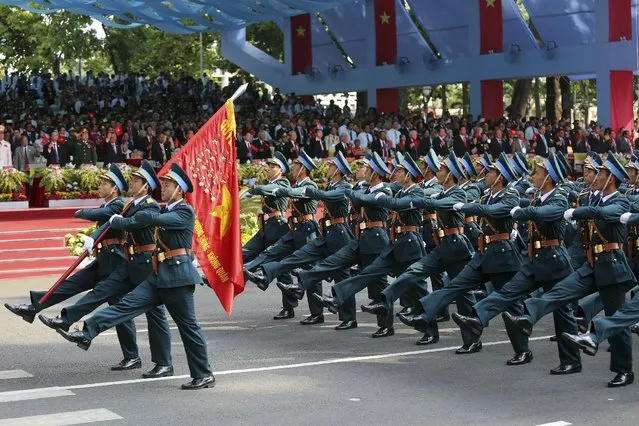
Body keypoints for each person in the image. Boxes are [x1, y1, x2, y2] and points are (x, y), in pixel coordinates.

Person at [58, 163, 215, 390]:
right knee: (125, 306)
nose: (163, 188)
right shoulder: (165, 209)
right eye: (163, 184)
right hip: (159, 274)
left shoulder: (183, 211)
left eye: (168, 185)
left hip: (179, 278)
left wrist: (118, 220)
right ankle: (86, 332)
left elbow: (152, 220)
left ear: (179, 190)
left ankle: (203, 374)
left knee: (188, 328)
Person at [504, 153, 635, 387]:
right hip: (593, 264)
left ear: (611, 179)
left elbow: (603, 215)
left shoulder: (621, 201)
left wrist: (576, 212)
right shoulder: (595, 199)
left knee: (617, 321)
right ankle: (527, 316)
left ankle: (623, 370)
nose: (594, 178)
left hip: (614, 268)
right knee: (561, 290)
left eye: (600, 174)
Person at [38, 161, 173, 377]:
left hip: (146, 264)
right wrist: (95, 235)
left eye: (136, 180)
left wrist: (114, 220)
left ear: (145, 186)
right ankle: (68, 319)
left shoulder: (149, 205)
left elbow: (129, 223)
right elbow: (111, 223)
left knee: (155, 316)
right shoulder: (131, 205)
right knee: (101, 290)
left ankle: (164, 363)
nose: (131, 182)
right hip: (130, 262)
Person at [453, 153, 582, 373]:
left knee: (563, 315)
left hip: (555, 262)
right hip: (535, 260)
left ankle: (571, 361)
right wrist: (513, 206)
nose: (534, 176)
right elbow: (522, 204)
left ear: (549, 178)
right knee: (508, 291)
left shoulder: (558, 197)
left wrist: (519, 212)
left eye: (538, 173)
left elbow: (547, 213)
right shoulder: (537, 197)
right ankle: (477, 318)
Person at [4, 164, 142, 370]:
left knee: (118, 309)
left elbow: (96, 215)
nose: (100, 186)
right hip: (103, 259)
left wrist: (79, 211)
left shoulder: (117, 205)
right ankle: (35, 306)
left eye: (104, 184)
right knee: (70, 285)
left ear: (114, 188)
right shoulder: (112, 205)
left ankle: (131, 355)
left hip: (115, 262)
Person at [398, 153, 529, 363]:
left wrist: (465, 206)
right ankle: (425, 313)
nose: (486, 175)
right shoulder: (488, 195)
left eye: (491, 172)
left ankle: (522, 349)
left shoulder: (510, 195)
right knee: (456, 285)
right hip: (483, 253)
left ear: (501, 177)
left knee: (511, 306)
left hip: (503, 256)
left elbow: (494, 211)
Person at [315, 153, 427, 338]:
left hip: (409, 244)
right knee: (372, 277)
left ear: (408, 175)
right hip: (395, 243)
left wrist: (362, 195)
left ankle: (428, 325)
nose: (395, 173)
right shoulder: (396, 190)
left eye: (399, 171)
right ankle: (340, 299)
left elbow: (393, 203)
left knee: (416, 288)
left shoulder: (415, 192)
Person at [247, 152, 356, 328]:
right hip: (322, 231)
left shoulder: (341, 187)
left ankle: (345, 317)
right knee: (297, 259)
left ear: (337, 170)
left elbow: (312, 194)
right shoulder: (328, 186)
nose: (327, 169)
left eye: (330, 166)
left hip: (333, 233)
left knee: (340, 275)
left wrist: (279, 190)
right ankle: (263, 273)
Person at [244, 149, 319, 320]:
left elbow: (282, 191)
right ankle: (253, 272)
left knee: (310, 271)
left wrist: (256, 189)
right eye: (269, 166)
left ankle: (316, 312)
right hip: (294, 229)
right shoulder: (295, 185)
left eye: (297, 165)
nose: (294, 167)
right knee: (278, 259)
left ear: (304, 168)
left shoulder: (302, 185)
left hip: (305, 230)